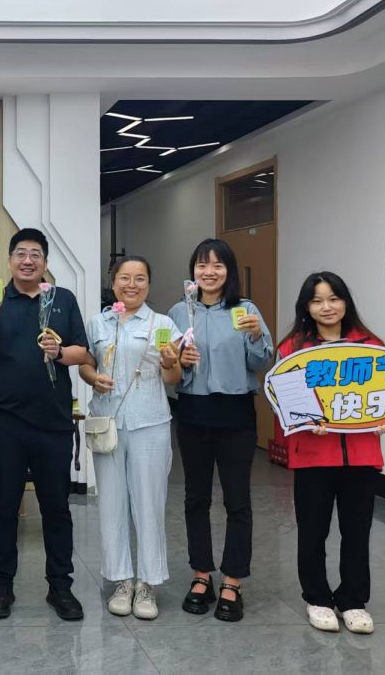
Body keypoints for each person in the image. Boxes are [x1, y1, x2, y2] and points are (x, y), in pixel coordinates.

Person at [0, 228, 90, 621]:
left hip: (52, 421)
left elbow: (82, 351)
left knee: (56, 506)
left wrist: (59, 352)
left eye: (35, 254)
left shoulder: (62, 299)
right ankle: (1, 586)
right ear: (10, 260)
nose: (27, 260)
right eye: (20, 253)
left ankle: (60, 586)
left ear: (45, 262)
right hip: (5, 421)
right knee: (4, 505)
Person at [277, 271, 385, 635]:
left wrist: (384, 417)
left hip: (361, 454)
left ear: (345, 301)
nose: (327, 307)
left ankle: (353, 600)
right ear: (306, 307)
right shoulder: (292, 349)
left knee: (357, 531)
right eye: (317, 300)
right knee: (313, 531)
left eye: (333, 298)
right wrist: (304, 420)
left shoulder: (370, 345)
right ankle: (317, 597)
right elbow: (285, 404)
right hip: (313, 455)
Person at [168, 238, 273, 622]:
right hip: (193, 412)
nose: (209, 272)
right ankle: (201, 575)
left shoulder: (245, 310)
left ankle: (232, 580)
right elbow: (169, 366)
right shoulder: (179, 312)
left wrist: (257, 335)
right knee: (195, 498)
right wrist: (180, 360)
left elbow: (261, 362)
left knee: (237, 500)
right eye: (202, 265)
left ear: (229, 271)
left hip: (235, 415)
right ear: (193, 271)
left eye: (217, 265)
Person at [79, 256, 182, 620]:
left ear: (148, 285)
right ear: (114, 283)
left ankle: (148, 583)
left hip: (150, 423)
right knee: (111, 503)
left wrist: (170, 361)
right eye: (125, 278)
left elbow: (173, 378)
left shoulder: (163, 324)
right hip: (107, 423)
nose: (132, 284)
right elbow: (86, 363)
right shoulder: (98, 322)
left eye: (140, 278)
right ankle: (121, 580)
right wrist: (93, 378)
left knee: (149, 503)